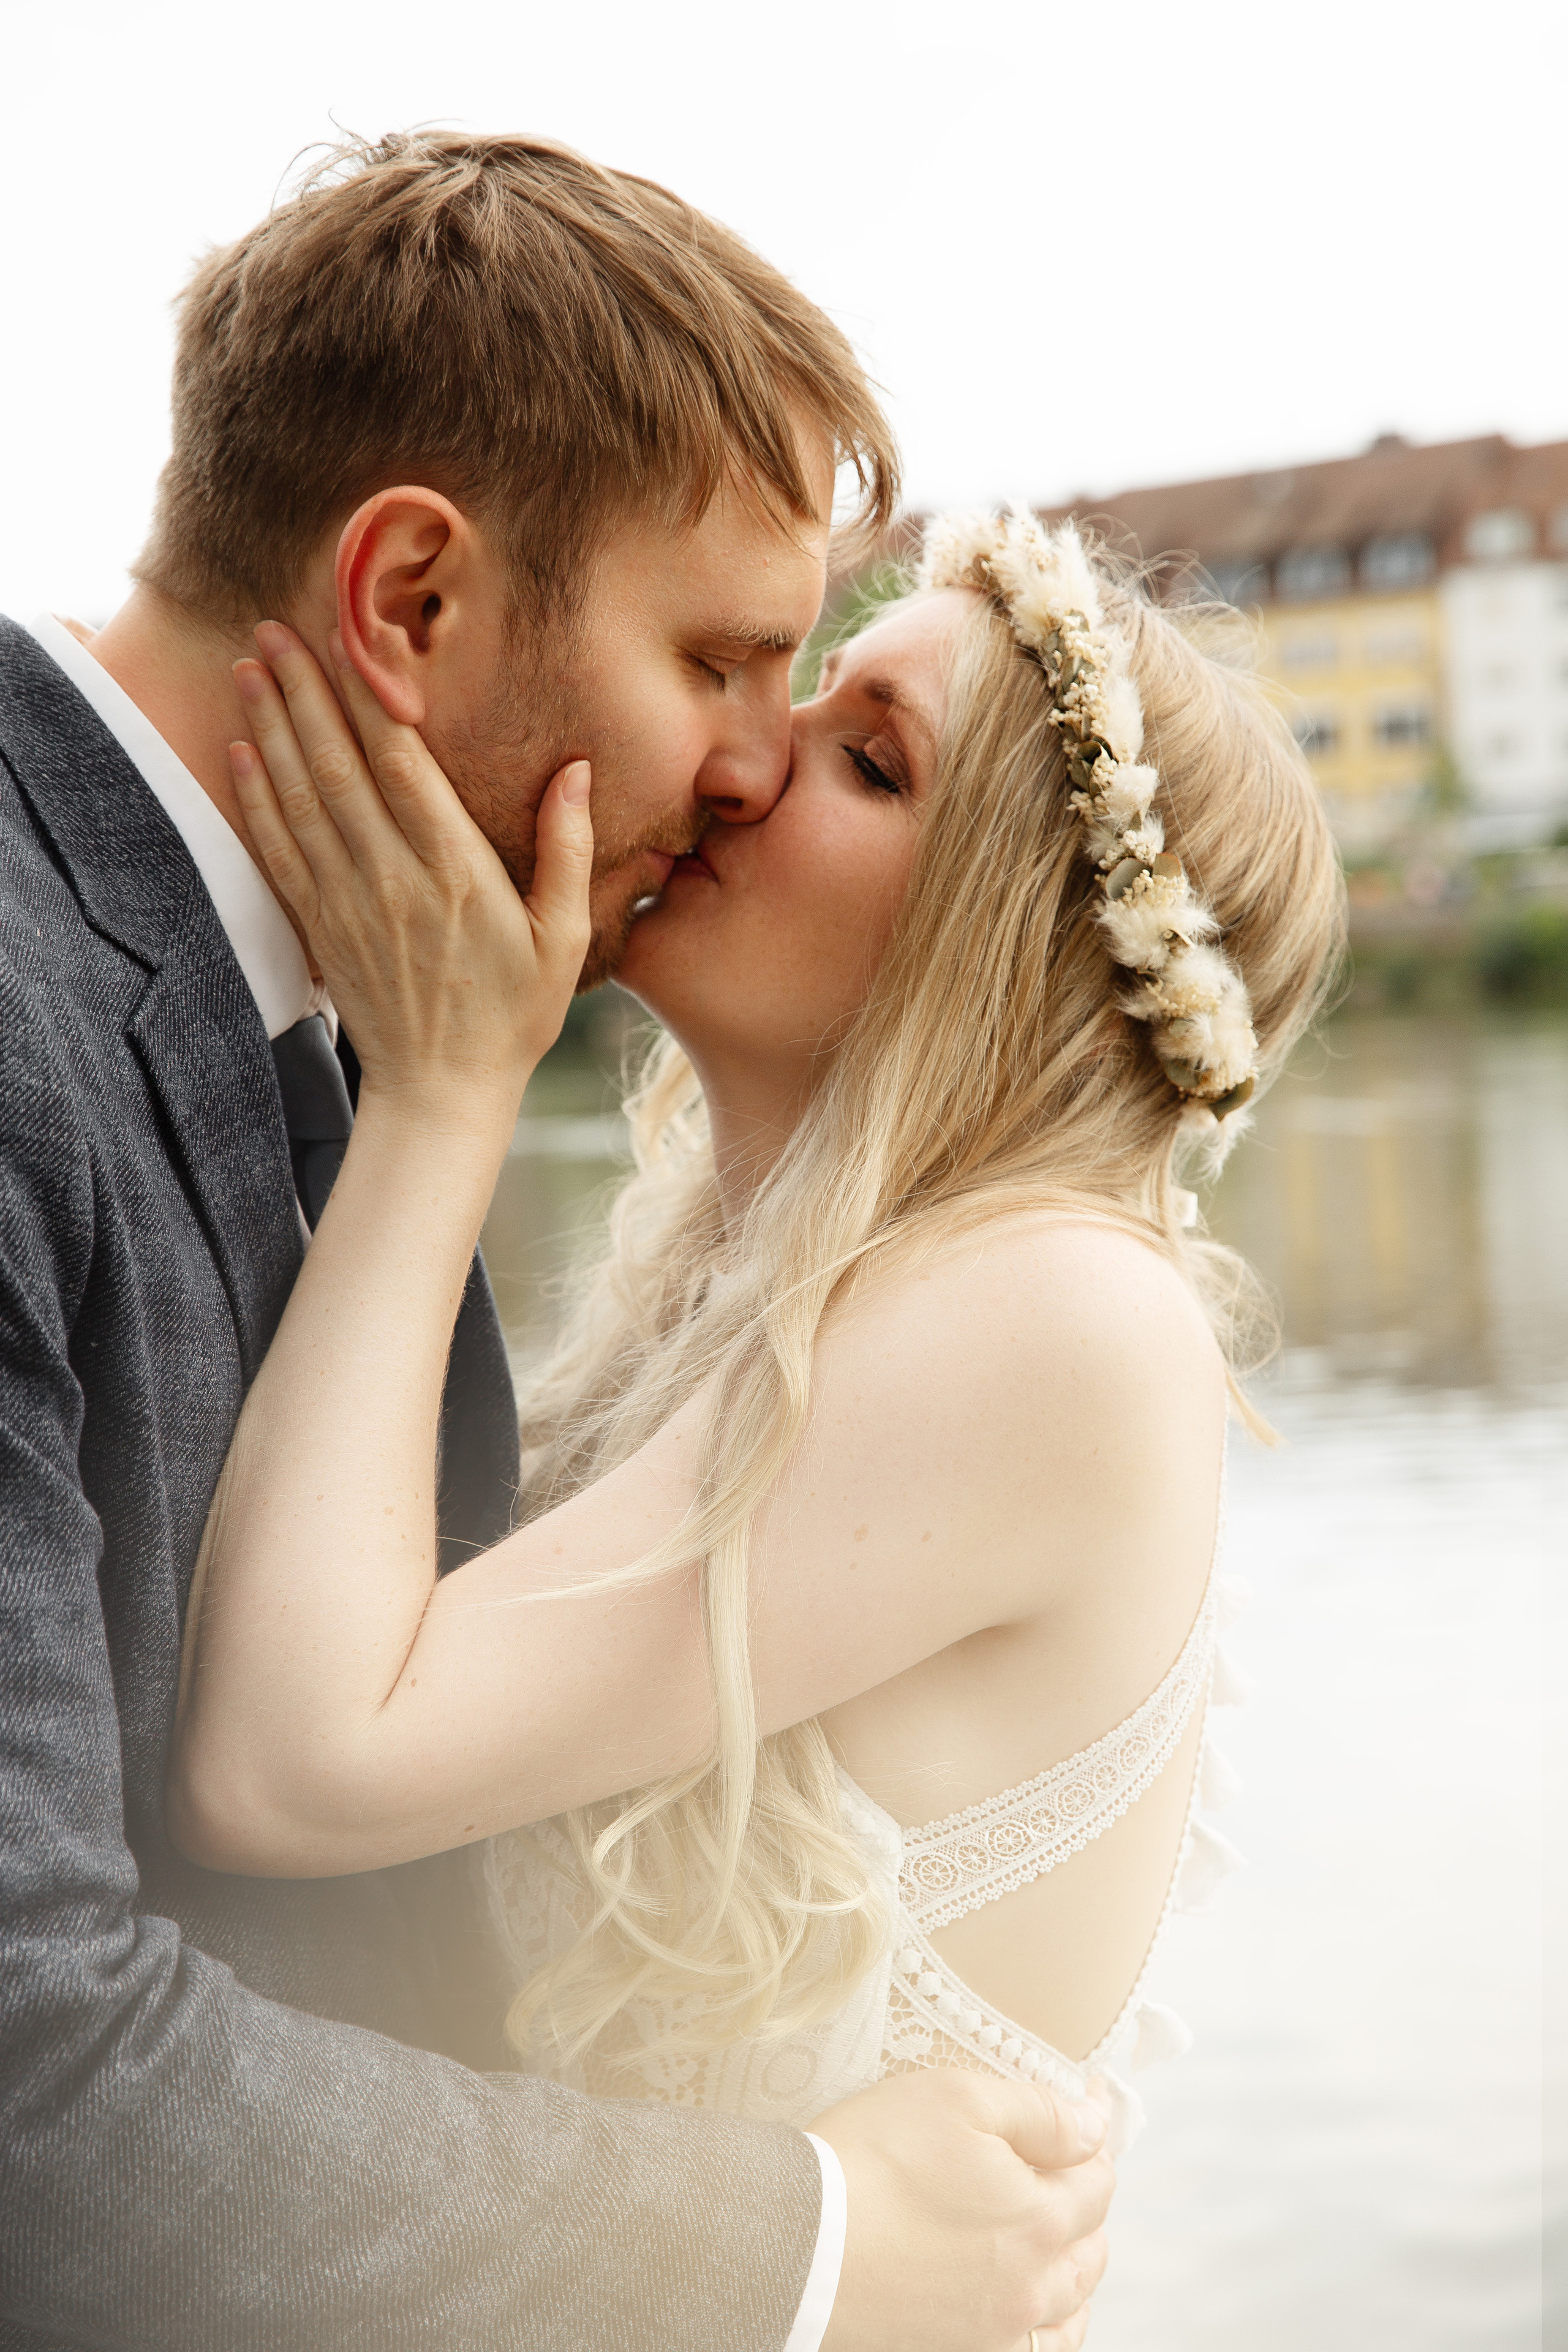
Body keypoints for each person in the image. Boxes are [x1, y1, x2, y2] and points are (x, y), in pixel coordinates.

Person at [0, 134, 1112, 2352]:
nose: (754, 768)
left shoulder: (353, 1021)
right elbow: (34, 2070)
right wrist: (797, 2240)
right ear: (412, 600)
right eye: (723, 660)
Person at [170, 511, 1342, 2264]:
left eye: (867, 760)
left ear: (999, 946)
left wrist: (446, 1090)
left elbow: (287, 1769)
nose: (736, 763)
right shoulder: (735, 1291)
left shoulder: (1065, 1318)